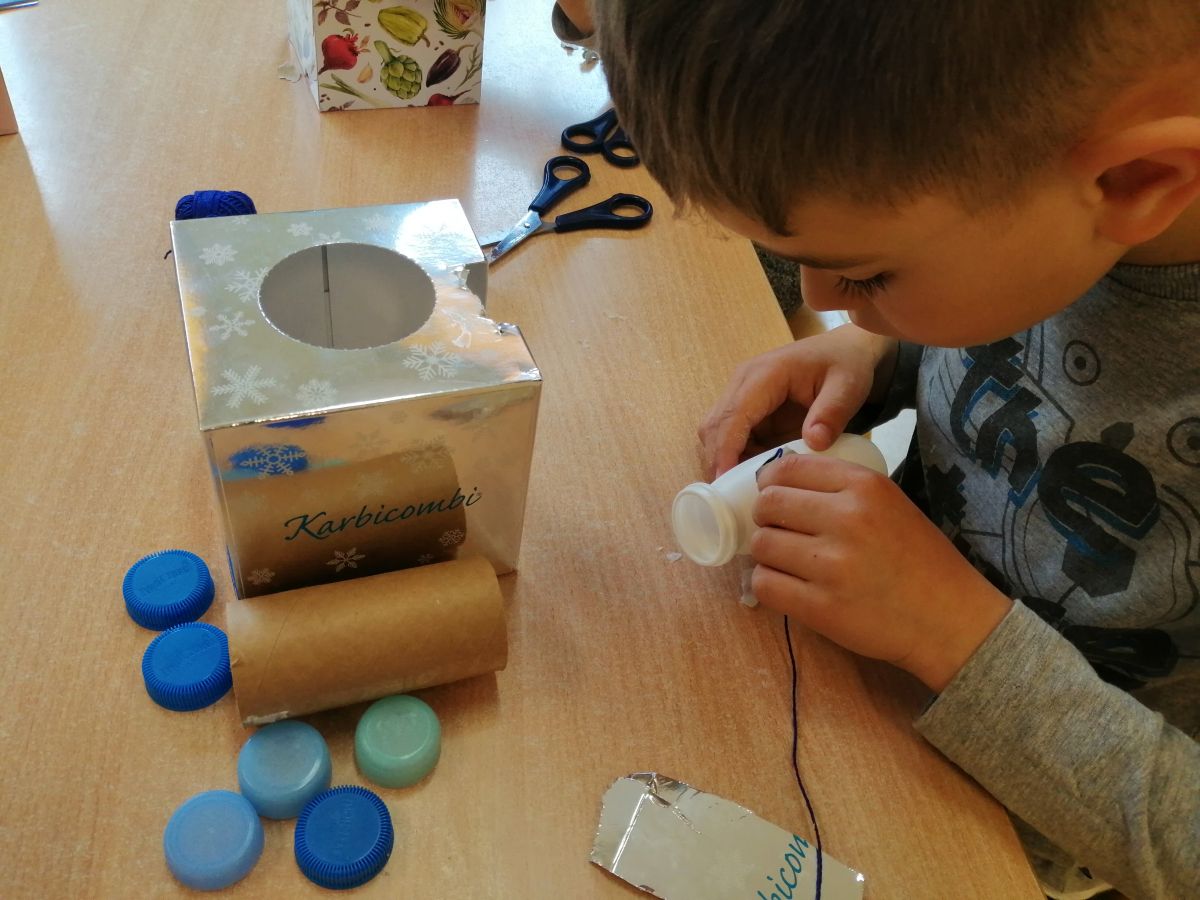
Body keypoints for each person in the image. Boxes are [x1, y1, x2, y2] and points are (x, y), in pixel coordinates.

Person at [575, 2, 1200, 898]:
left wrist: (954, 637)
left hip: (1018, 852)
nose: (821, 297)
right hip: (876, 714)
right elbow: (1029, 359)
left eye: (865, 272)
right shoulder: (1045, 199)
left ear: (1137, 180)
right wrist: (880, 356)